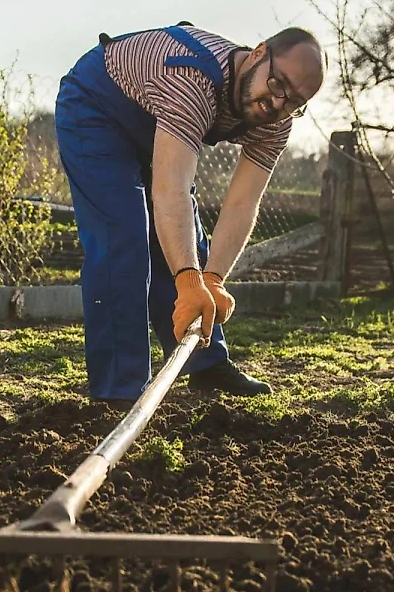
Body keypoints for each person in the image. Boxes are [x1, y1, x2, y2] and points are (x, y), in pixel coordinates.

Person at [54, 21, 325, 404]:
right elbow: (171, 192)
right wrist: (187, 279)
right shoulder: (192, 77)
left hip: (158, 121)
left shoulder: (276, 119)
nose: (277, 103)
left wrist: (212, 278)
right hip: (97, 108)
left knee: (189, 252)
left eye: (294, 101)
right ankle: (119, 390)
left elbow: (243, 203)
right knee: (123, 241)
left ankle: (206, 364)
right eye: (278, 84)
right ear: (259, 52)